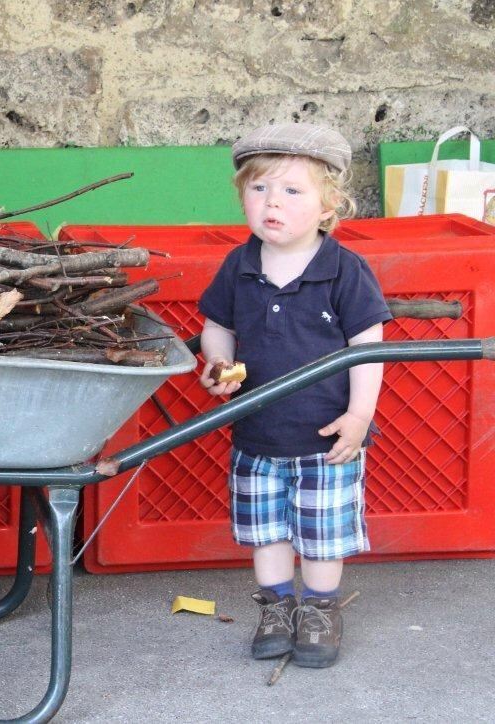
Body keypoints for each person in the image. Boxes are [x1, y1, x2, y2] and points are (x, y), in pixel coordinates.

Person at [197, 123, 392, 668]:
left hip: (326, 437)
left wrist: (358, 415)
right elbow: (216, 324)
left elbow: (368, 348)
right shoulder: (239, 265)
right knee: (267, 531)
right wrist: (217, 362)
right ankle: (277, 607)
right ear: (243, 198)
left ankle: (321, 609)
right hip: (257, 433)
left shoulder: (344, 271)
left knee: (322, 532)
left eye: (291, 191)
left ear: (328, 208)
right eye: (258, 190)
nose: (271, 204)